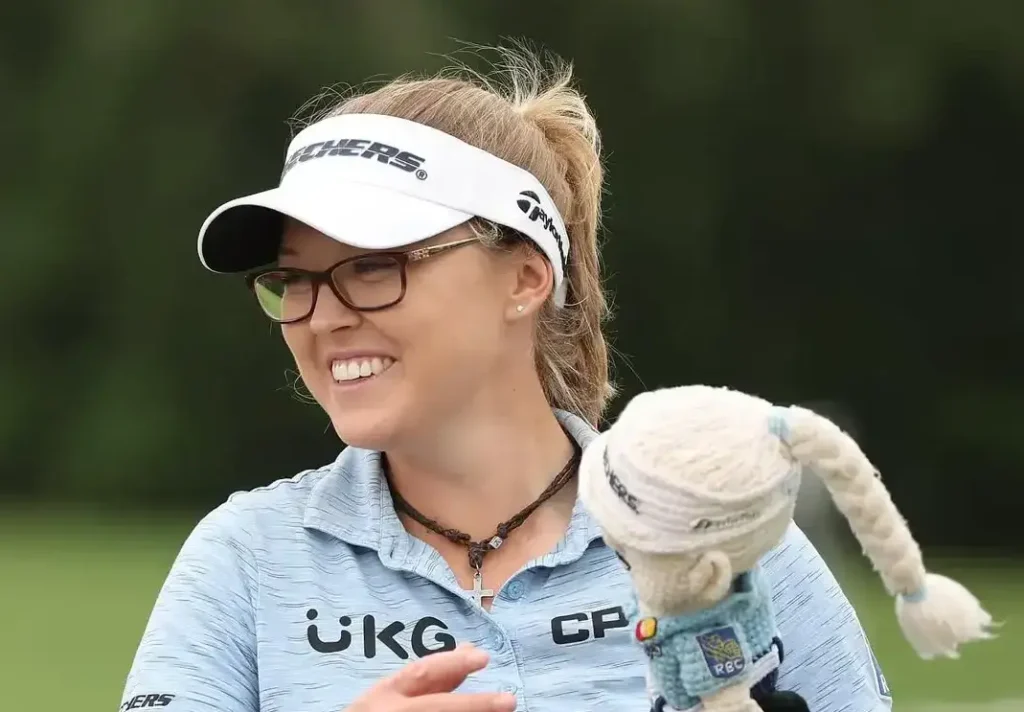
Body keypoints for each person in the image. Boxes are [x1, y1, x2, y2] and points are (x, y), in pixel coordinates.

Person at [121, 46, 893, 712]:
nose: (320, 316)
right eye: (294, 279)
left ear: (525, 278)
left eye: (372, 266)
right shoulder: (248, 557)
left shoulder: (723, 534)